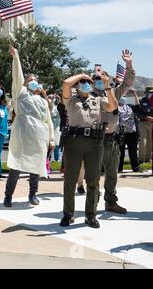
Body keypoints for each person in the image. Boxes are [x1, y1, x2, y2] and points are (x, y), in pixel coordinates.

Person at [60, 71, 118, 229]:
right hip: (74, 142)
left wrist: (107, 88)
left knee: (93, 181)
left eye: (88, 82)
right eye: (82, 82)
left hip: (94, 143)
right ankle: (68, 214)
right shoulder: (71, 100)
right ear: (78, 85)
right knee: (70, 180)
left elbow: (113, 106)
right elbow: (66, 83)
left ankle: (91, 215)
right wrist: (82, 75)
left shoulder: (98, 100)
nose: (85, 84)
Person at [3, 47, 55, 207]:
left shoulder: (42, 100)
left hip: (39, 135)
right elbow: (17, 76)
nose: (32, 81)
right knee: (16, 166)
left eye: (35, 80)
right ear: (25, 83)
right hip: (22, 133)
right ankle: (8, 196)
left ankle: (33, 194)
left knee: (36, 166)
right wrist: (16, 57)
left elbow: (48, 121)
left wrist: (51, 139)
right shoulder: (21, 92)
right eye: (29, 79)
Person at [92, 50, 135, 214]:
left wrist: (128, 64)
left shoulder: (115, 93)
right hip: (96, 140)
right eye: (97, 78)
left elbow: (128, 82)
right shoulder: (89, 95)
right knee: (94, 175)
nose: (100, 80)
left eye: (103, 78)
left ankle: (111, 202)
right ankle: (92, 203)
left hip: (113, 140)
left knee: (112, 174)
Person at [118, 89, 142, 173]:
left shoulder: (130, 106)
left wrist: (135, 94)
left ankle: (136, 168)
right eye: (121, 97)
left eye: (124, 97)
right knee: (120, 152)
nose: (123, 98)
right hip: (120, 133)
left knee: (133, 151)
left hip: (132, 133)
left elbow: (138, 107)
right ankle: (119, 168)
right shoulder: (115, 107)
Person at [138, 87, 153, 164]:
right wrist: (145, 117)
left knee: (150, 142)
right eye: (149, 92)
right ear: (146, 93)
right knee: (143, 142)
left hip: (152, 124)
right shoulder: (141, 101)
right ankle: (141, 159)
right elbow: (138, 113)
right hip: (143, 123)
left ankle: (147, 159)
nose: (151, 94)